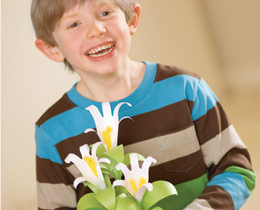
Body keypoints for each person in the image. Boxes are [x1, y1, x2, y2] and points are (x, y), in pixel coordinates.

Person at [31, 0, 256, 209]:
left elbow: (237, 170)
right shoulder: (52, 130)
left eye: (105, 13)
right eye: (74, 24)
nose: (96, 30)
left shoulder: (186, 89)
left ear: (132, 19)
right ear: (52, 48)